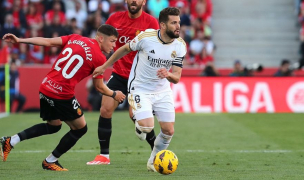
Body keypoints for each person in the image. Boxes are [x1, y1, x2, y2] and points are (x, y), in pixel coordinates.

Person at [0, 24, 126, 171]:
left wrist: (20, 40)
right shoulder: (99, 57)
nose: (114, 45)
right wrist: (114, 94)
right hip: (61, 94)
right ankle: (50, 161)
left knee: (54, 126)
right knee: (80, 128)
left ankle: (11, 140)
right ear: (100, 38)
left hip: (46, 86)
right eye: (111, 41)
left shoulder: (75, 38)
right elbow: (99, 87)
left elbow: (47, 42)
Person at [93, 7, 187, 172]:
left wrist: (168, 75)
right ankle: (109, 151)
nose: (178, 26)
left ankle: (153, 160)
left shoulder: (180, 45)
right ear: (163, 25)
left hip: (163, 91)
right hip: (140, 87)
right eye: (174, 23)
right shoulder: (146, 37)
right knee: (146, 126)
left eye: (178, 22)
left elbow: (177, 77)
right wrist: (105, 66)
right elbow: (124, 49)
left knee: (168, 130)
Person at [86, 0, 159, 165]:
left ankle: (157, 152)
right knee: (105, 109)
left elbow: (157, 48)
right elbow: (102, 41)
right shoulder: (115, 19)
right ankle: (104, 156)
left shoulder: (151, 22)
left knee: (138, 118)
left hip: (140, 77)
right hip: (119, 74)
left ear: (144, 2)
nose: (134, 1)